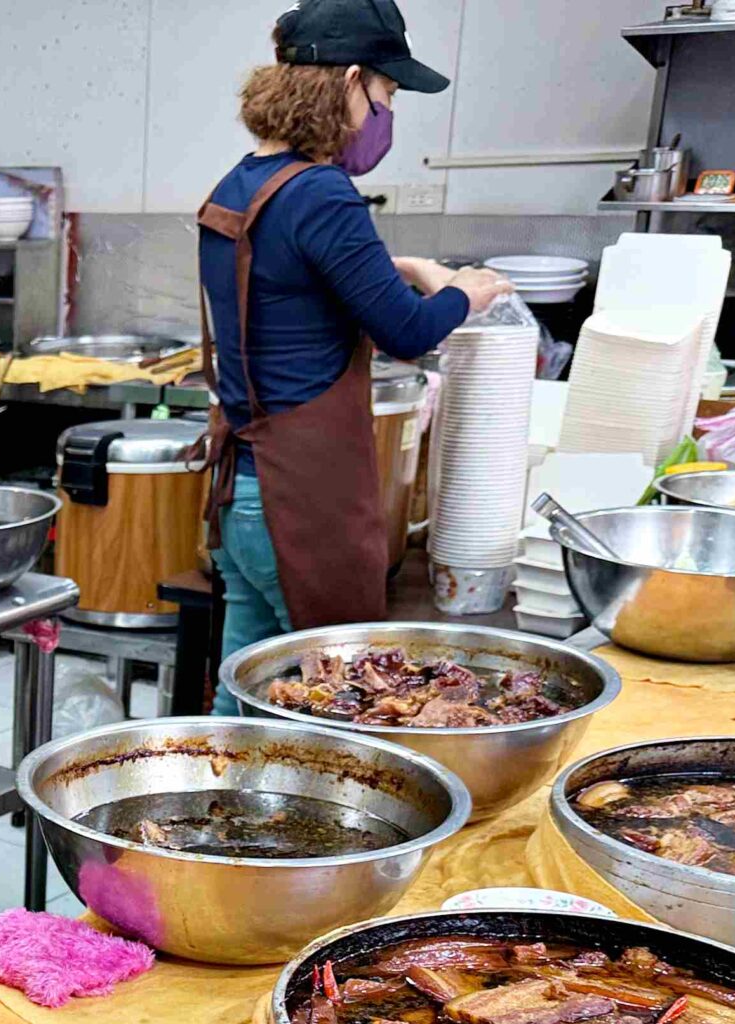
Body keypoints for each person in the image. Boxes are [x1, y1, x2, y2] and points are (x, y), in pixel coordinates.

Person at [196, 0, 513, 708]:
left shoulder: (242, 183)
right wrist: (465, 292)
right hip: (301, 506)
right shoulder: (323, 195)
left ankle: (215, 805)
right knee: (337, 701)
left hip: (241, 497)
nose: (386, 115)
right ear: (347, 84)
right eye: (387, 94)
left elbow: (288, 278)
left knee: (244, 695)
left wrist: (397, 266)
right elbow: (407, 332)